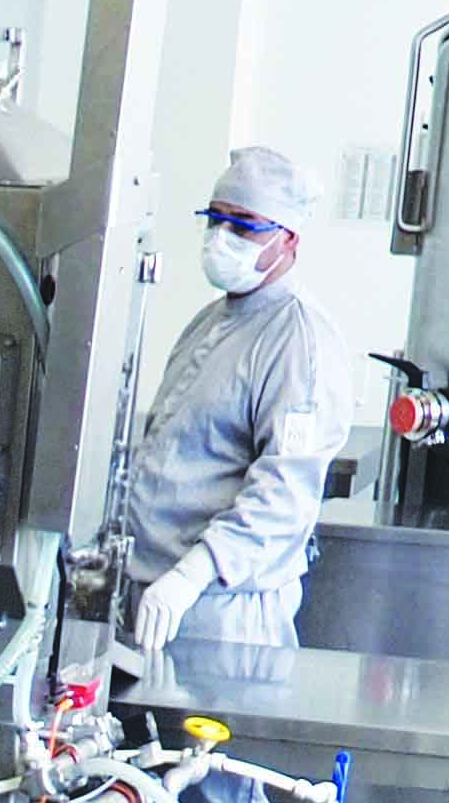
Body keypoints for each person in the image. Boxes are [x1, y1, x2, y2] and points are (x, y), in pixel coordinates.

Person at [117, 145, 355, 668]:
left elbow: (283, 495)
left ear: (287, 239)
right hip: (151, 595)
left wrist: (191, 575)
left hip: (224, 612)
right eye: (216, 220)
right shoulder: (210, 323)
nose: (222, 238)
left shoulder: (299, 341)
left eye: (244, 226)